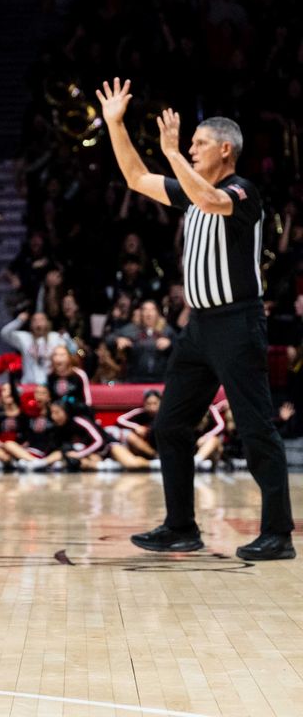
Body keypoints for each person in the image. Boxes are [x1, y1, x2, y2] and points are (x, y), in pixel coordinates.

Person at [98, 78, 294, 559]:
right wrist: (115, 125)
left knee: (255, 428)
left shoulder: (243, 191)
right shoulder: (191, 191)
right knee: (170, 424)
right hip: (199, 328)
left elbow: (209, 199)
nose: (190, 148)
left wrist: (171, 153)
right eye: (189, 144)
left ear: (226, 149)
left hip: (237, 324)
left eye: (198, 143)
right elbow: (135, 178)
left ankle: (278, 534)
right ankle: (181, 526)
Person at [0, 311, 69, 385]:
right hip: (29, 384)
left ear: (47, 323)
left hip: (49, 384)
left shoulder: (55, 337)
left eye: (41, 319)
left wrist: (66, 338)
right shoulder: (24, 338)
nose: (38, 323)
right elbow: (4, 333)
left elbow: (70, 352)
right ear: (31, 324)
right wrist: (19, 321)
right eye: (35, 320)